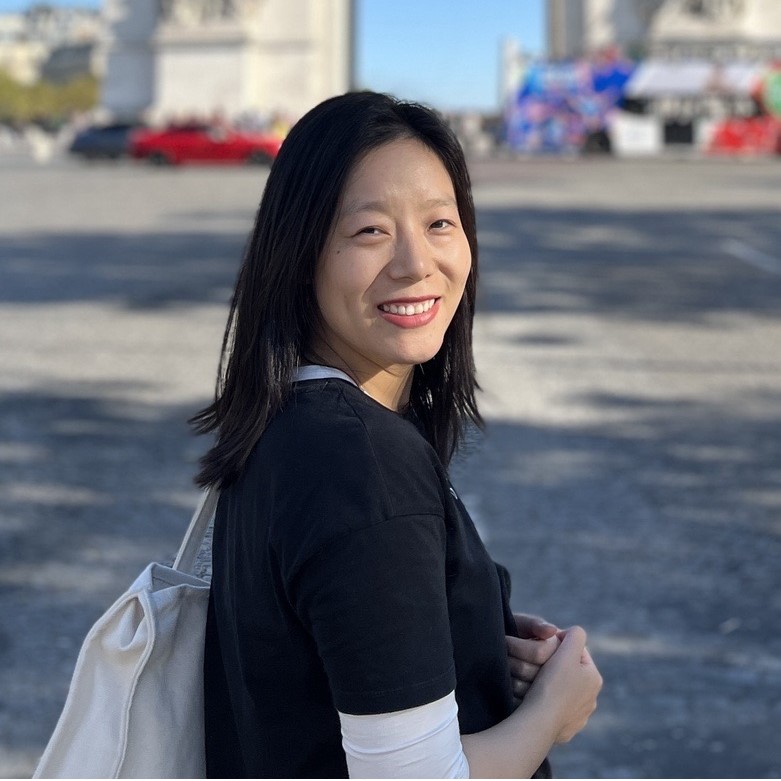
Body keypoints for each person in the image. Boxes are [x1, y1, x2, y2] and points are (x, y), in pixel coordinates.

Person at [192, 91, 602, 778]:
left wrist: (468, 624)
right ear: (299, 252)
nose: (416, 262)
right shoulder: (361, 463)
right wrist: (554, 710)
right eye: (370, 231)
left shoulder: (286, 422)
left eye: (439, 222)